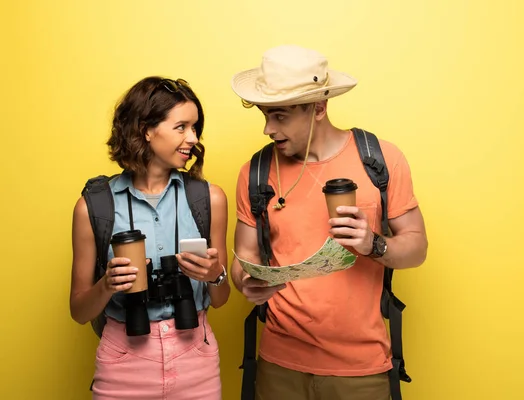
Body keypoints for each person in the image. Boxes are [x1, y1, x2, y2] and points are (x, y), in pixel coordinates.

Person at [230, 45, 428, 400]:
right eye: (264, 115)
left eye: (280, 116)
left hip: (361, 371)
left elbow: (416, 247)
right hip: (279, 366)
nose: (267, 129)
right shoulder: (255, 172)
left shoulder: (380, 160)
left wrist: (374, 244)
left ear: (318, 108)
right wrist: (248, 281)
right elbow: (244, 254)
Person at [69, 76, 230, 400]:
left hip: (195, 357)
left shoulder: (208, 198)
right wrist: (107, 285)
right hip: (123, 360)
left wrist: (215, 276)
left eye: (195, 127)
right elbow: (79, 311)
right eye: (181, 127)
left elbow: (222, 297)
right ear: (146, 129)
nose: (193, 138)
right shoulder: (94, 206)